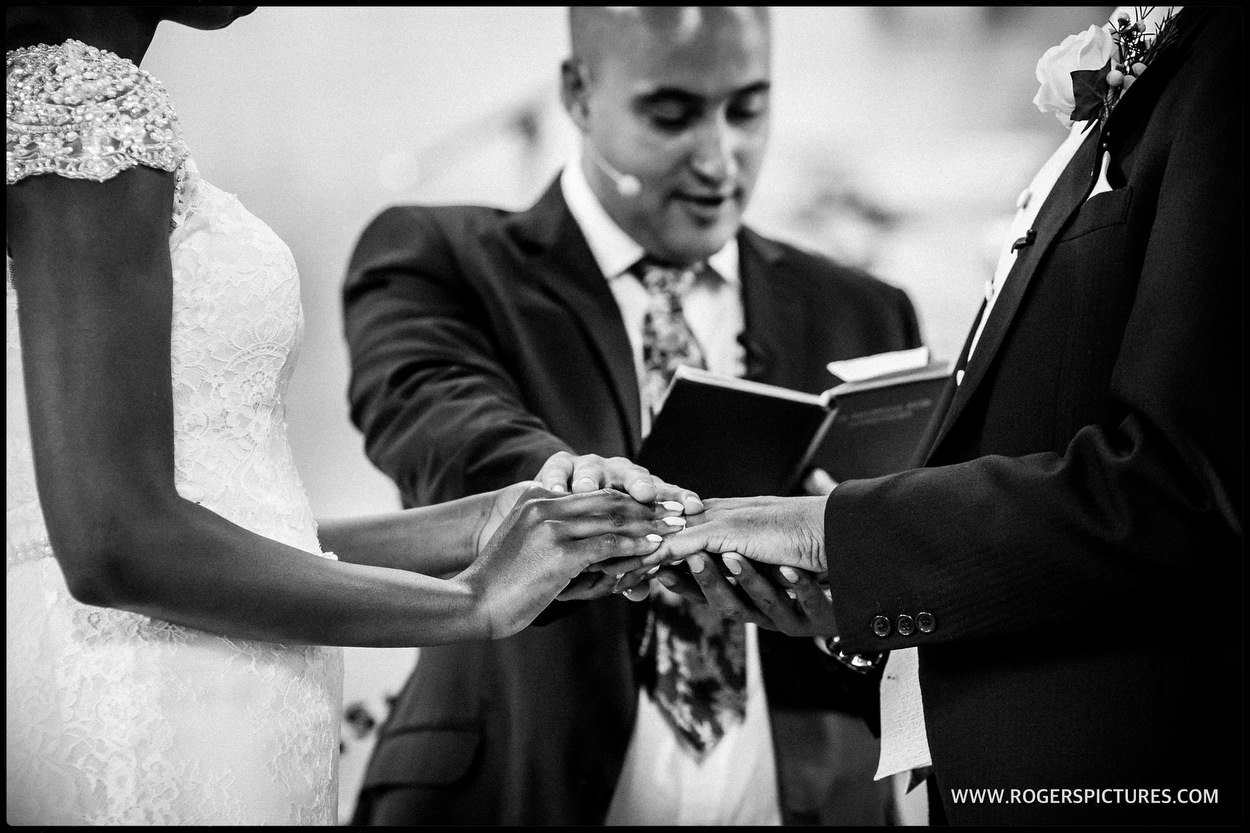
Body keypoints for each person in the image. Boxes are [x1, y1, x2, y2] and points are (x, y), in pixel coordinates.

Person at [5, 6, 695, 826]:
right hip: (145, 704)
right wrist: (474, 599)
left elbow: (237, 523)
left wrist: (488, 523)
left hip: (212, 691)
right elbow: (115, 541)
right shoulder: (79, 106)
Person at [655, 5, 1243, 825]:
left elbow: (1193, 488)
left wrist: (835, 532)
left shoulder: (1234, 60)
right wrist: (852, 604)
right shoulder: (1161, 61)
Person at [342, 6, 924, 826]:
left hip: (808, 795)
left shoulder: (865, 311)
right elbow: (443, 420)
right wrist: (564, 485)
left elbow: (906, 614)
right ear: (579, 93)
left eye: (747, 109)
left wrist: (849, 603)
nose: (720, 157)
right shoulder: (441, 257)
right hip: (517, 786)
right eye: (672, 114)